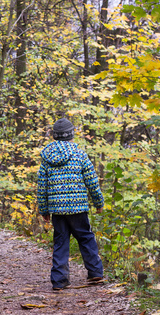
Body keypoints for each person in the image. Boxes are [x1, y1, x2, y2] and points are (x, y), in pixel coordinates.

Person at [37, 117, 104, 291]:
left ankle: (59, 280)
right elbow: (91, 180)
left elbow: (41, 185)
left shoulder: (47, 158)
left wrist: (43, 210)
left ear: (55, 136)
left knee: (60, 241)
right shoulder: (80, 154)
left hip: (57, 210)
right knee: (86, 238)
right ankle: (95, 272)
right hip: (78, 208)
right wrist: (98, 201)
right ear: (71, 135)